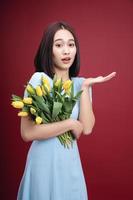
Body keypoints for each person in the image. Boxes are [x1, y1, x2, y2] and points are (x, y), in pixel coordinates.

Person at [17, 21, 116, 200]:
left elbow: (86, 129)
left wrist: (85, 87)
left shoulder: (81, 84)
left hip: (70, 163)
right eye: (59, 45)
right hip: (43, 163)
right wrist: (69, 123)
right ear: (49, 50)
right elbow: (27, 132)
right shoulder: (39, 80)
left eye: (71, 45)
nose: (66, 51)